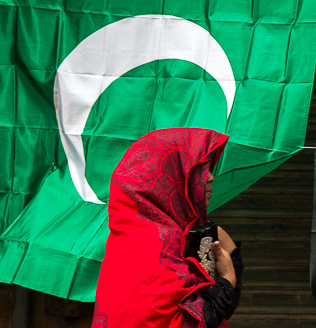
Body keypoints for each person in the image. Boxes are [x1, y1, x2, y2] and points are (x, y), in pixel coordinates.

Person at [92, 128, 243, 328]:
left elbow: (216, 311)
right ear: (171, 176)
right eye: (201, 169)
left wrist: (232, 258)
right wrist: (227, 281)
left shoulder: (176, 236)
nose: (210, 178)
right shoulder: (154, 245)